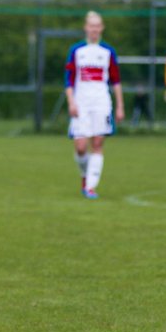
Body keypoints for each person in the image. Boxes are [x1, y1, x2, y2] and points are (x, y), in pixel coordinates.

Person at [65, 11, 124, 200]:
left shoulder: (108, 52)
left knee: (97, 143)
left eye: (97, 26)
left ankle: (90, 186)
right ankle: (84, 176)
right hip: (81, 103)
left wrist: (120, 106)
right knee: (81, 147)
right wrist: (71, 101)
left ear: (102, 28)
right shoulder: (76, 51)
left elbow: (116, 81)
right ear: (86, 28)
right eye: (91, 25)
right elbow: (69, 80)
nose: (94, 29)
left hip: (102, 103)